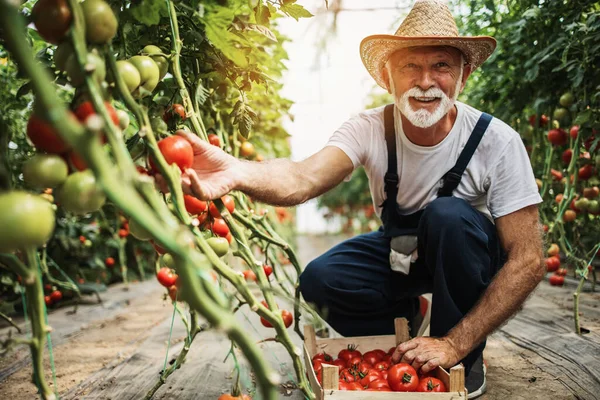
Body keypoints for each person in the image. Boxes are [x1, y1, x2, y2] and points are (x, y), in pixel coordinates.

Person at [175, 0, 545, 397]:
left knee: (449, 216)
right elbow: (303, 177)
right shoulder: (369, 129)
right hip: (401, 252)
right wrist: (237, 172)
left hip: (464, 258)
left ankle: (457, 356)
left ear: (463, 76)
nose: (425, 81)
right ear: (388, 77)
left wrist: (458, 341)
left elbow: (528, 258)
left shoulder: (496, 140)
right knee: (321, 280)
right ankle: (407, 326)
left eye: (441, 66)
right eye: (410, 67)